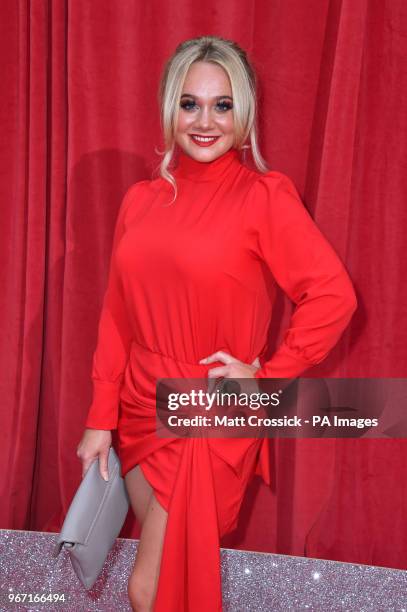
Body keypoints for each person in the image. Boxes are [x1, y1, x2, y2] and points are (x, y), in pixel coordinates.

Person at [76, 35, 357, 612]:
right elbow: (116, 313)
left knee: (151, 590)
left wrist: (269, 374)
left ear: (244, 113)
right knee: (163, 585)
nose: (205, 121)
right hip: (137, 407)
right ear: (168, 108)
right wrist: (100, 418)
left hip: (208, 408)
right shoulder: (139, 201)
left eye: (222, 105)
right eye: (190, 103)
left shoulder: (264, 198)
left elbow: (333, 296)